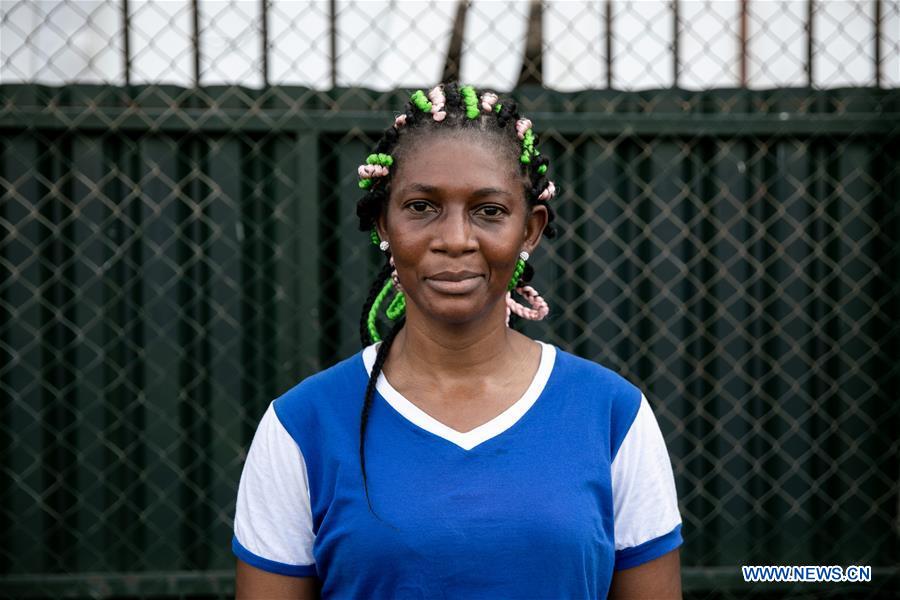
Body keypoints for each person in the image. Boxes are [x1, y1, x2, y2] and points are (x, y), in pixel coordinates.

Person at [232, 82, 683, 599]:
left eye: (489, 210)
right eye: (422, 207)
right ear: (384, 223)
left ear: (530, 229)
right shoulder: (301, 426)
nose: (454, 239)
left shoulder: (612, 416)